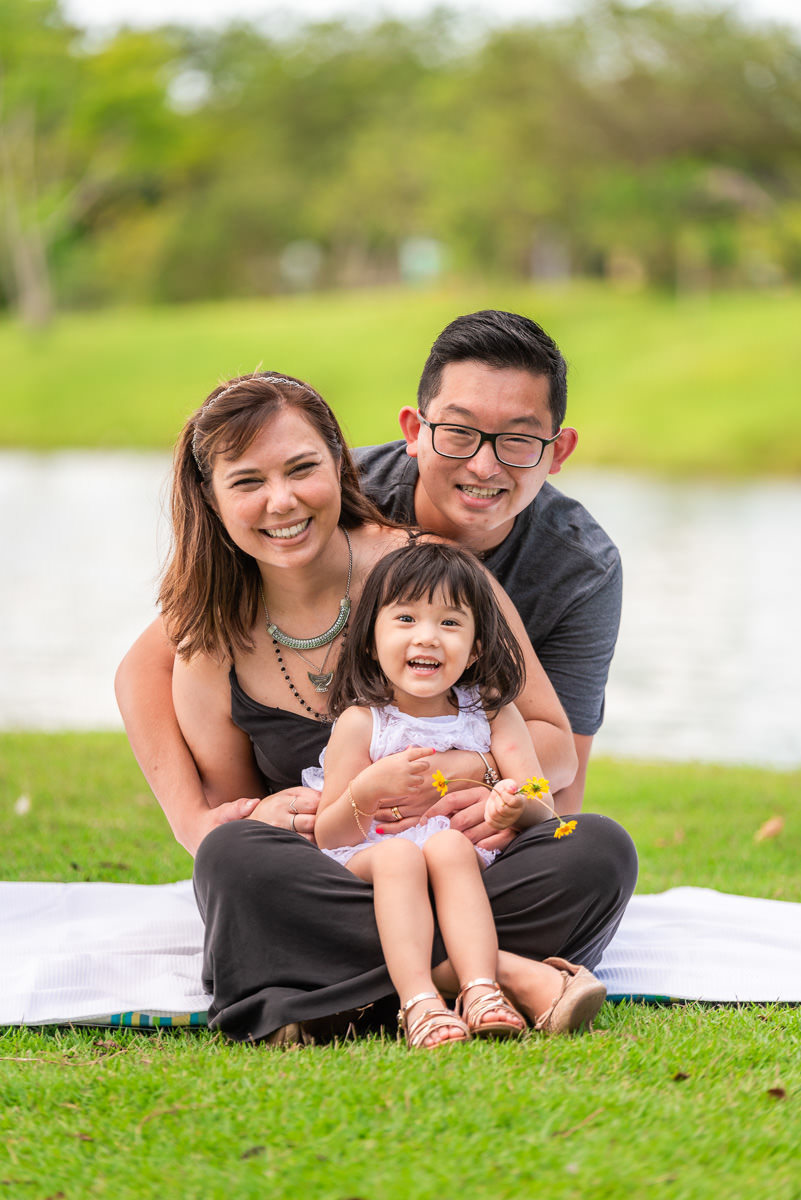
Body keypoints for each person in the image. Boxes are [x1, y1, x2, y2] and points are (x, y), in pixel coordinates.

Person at [123, 368, 634, 1043]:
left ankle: (334, 994)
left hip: (467, 864)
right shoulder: (211, 639)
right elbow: (237, 811)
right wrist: (249, 818)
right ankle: (489, 973)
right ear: (211, 499)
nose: (281, 501)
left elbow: (548, 759)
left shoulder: (432, 575)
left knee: (597, 849)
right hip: (338, 871)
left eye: (301, 469)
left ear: (340, 464)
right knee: (232, 858)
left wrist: (484, 780)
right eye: (247, 482)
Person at [310, 541, 607, 1048]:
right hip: (376, 861)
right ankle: (419, 1002)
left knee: (449, 846)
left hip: (463, 865)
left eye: (450, 622)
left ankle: (480, 989)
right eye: (405, 618)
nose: (427, 636)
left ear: (475, 649)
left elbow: (542, 801)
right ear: (370, 640)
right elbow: (327, 834)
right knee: (401, 856)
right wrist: (366, 789)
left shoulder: (491, 713)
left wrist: (516, 805)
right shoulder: (363, 723)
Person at [356, 309, 622, 816]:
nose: (484, 466)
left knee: (601, 848)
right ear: (414, 430)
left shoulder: (583, 569)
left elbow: (564, 783)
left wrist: (472, 770)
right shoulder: (338, 499)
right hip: (332, 795)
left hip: (480, 818)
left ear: (558, 451)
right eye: (459, 431)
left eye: (518, 440)